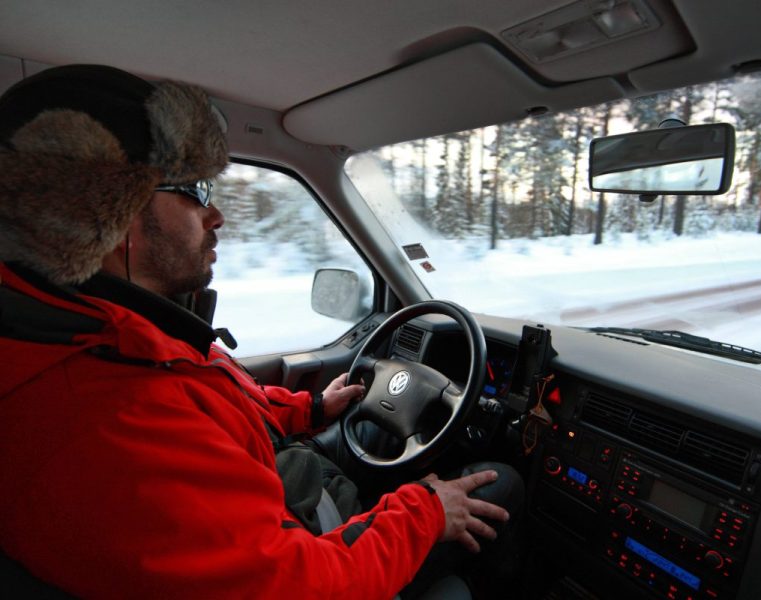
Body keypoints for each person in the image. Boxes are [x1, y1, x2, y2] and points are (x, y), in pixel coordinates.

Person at [0, 65, 520, 599]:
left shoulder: (114, 334)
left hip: (277, 499)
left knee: (372, 438)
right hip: (308, 550)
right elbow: (301, 584)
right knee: (498, 482)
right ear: (111, 212)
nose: (216, 214)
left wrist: (309, 410)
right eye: (195, 191)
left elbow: (211, 408)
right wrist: (426, 511)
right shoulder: (101, 419)